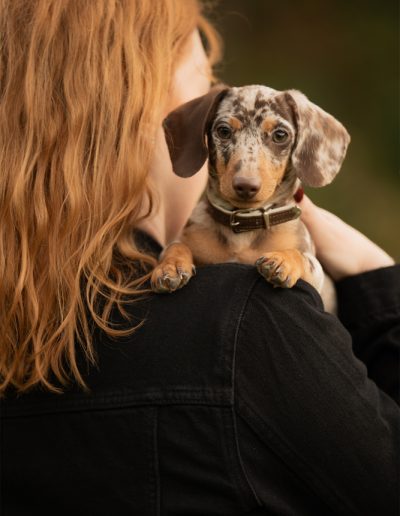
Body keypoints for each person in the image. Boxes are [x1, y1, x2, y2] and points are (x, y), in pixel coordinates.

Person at [0, 1, 398, 515]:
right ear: (151, 106)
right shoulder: (250, 321)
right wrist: (380, 285)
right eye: (204, 73)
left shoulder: (19, 325)